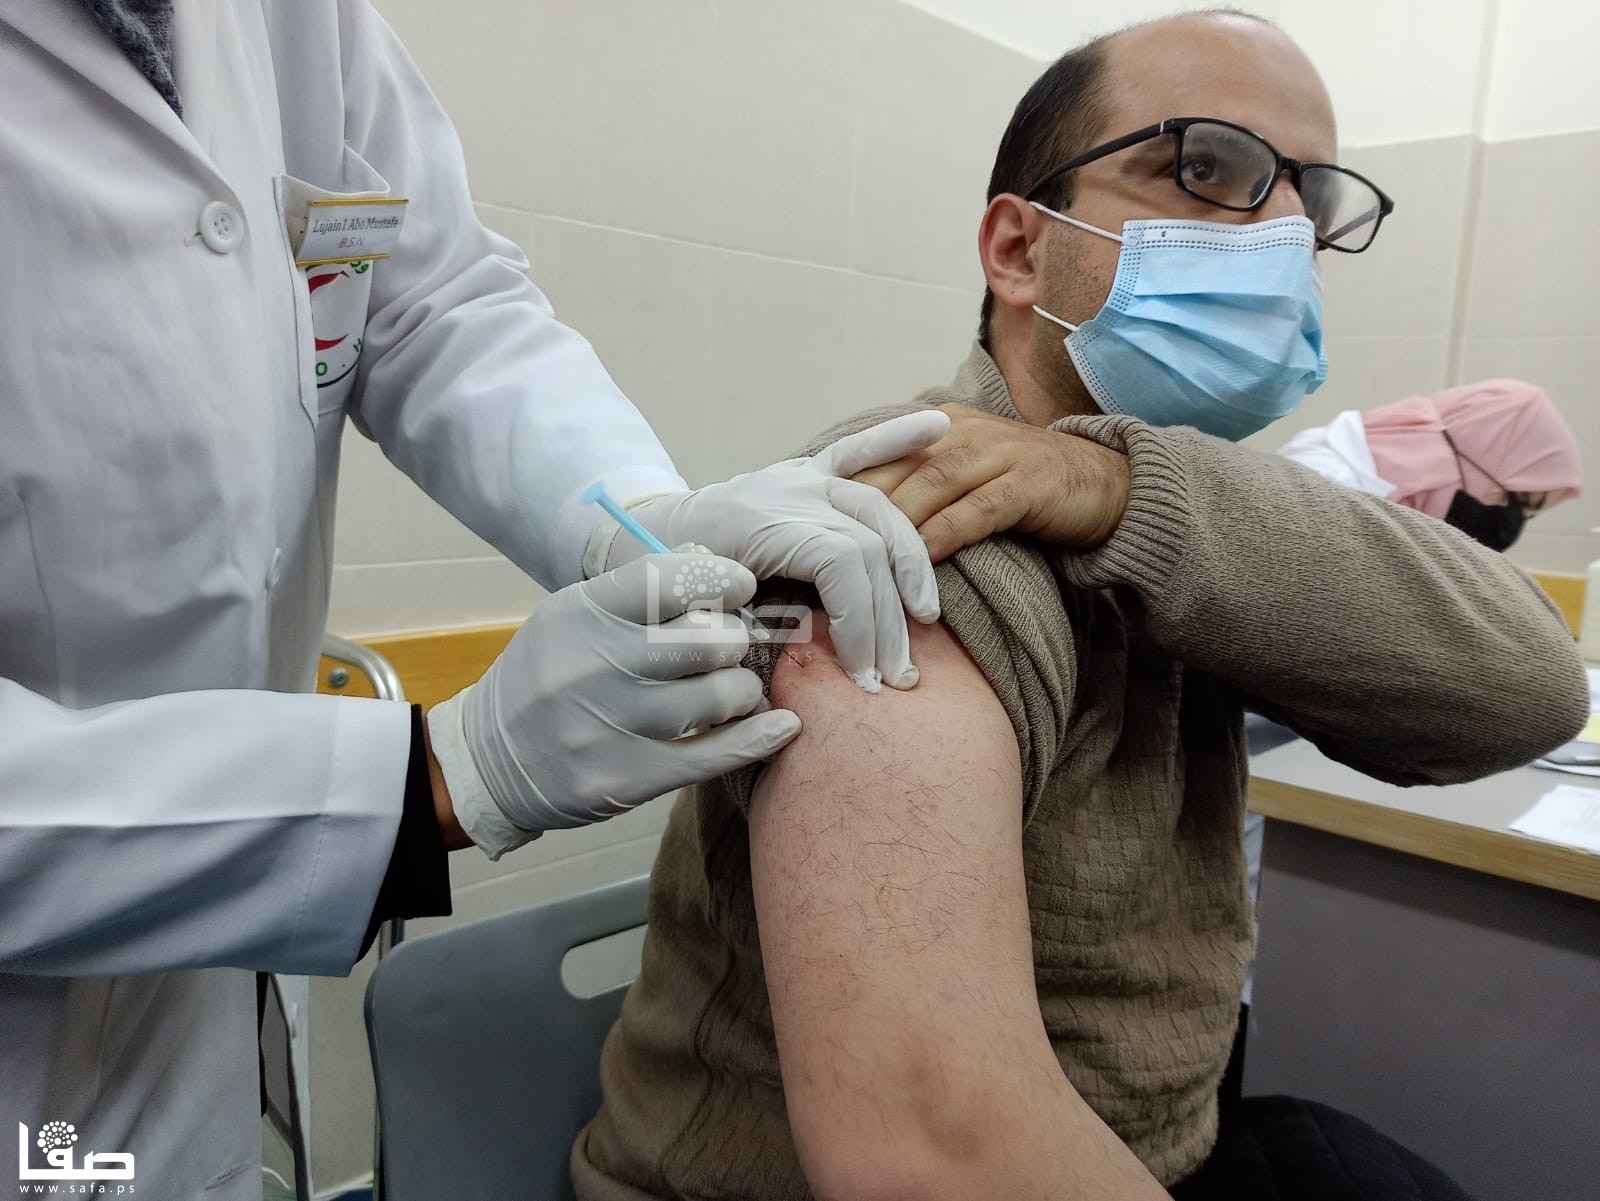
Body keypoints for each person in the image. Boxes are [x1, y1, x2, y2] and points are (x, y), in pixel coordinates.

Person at [572, 11, 1591, 1200]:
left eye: (1308, 200)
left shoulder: (1166, 521)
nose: (1280, 234)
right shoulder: (896, 518)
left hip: (1164, 1144)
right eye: (1204, 167)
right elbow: (932, 1148)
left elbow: (1528, 692)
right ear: (1017, 248)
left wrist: (1120, 489)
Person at [0, 4, 951, 1195]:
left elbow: (433, 301)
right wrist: (438, 776)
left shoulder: (286, 22)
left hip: (179, 1049)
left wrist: (631, 515)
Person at [1278, 380, 1583, 551]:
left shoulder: (1393, 509)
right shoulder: (1323, 488)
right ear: (1475, 457)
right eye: (1516, 499)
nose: (1511, 519)